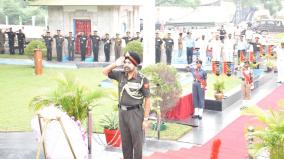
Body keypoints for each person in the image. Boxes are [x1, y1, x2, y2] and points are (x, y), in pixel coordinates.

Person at [102, 52, 151, 159]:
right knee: (125, 143)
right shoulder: (121, 74)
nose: (126, 65)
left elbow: (148, 99)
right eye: (125, 62)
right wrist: (115, 64)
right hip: (122, 113)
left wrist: (146, 119)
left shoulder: (142, 79)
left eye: (129, 63)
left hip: (135, 114)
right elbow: (104, 72)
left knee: (137, 143)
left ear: (135, 64)